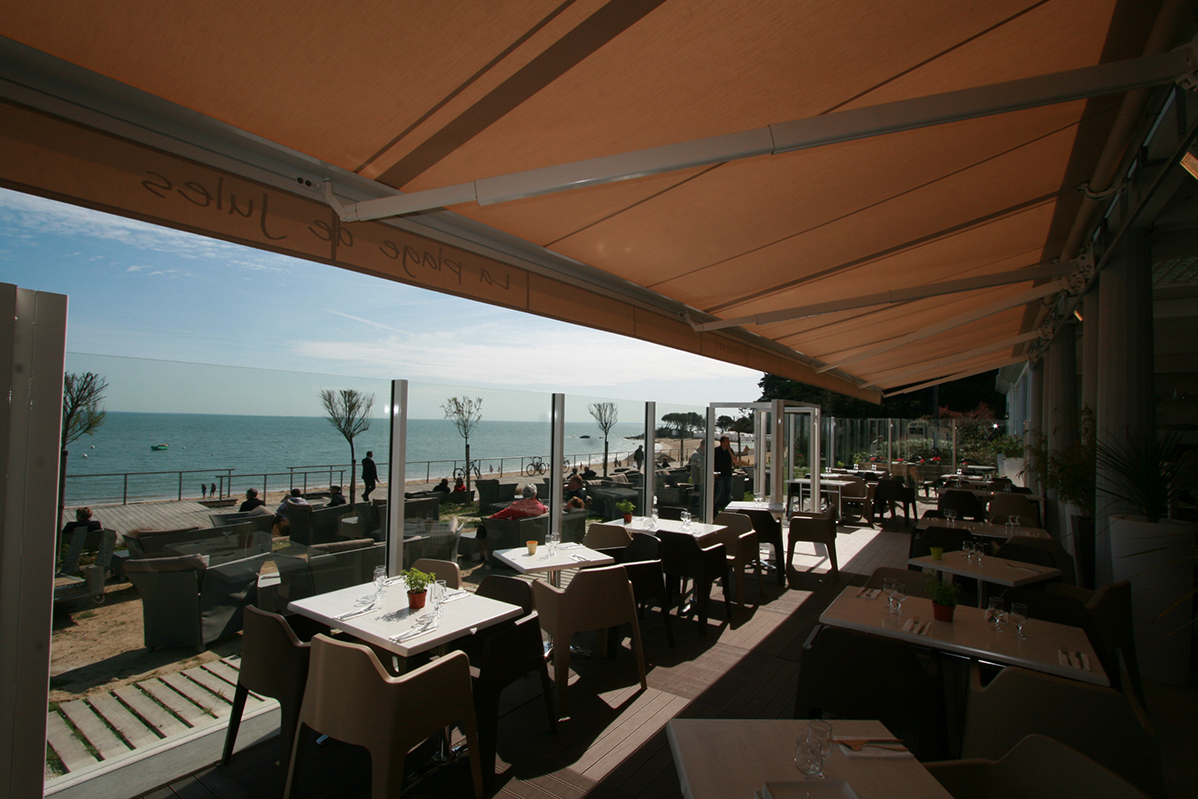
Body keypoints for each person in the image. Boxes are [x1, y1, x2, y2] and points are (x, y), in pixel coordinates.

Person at [476, 484, 546, 561]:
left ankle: (483, 555)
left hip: (513, 534)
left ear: (523, 494)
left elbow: (500, 515)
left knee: (482, 528)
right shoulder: (540, 508)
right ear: (535, 494)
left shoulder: (516, 506)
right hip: (533, 533)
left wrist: (486, 521)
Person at [715, 435, 739, 511]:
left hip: (728, 474)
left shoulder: (730, 450)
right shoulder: (716, 451)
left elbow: (735, 461)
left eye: (728, 441)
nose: (728, 443)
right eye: (726, 441)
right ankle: (715, 510)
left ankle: (728, 510)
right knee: (717, 494)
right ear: (721, 442)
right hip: (719, 475)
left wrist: (729, 451)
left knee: (728, 494)